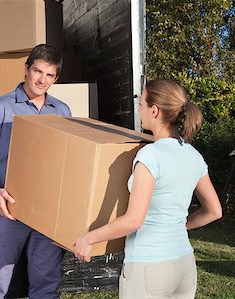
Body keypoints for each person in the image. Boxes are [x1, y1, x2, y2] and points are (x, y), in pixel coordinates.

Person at [73, 79, 222, 298]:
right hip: (184, 266)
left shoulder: (150, 155)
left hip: (149, 268)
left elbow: (134, 220)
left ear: (154, 111)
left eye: (141, 103)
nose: (138, 109)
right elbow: (214, 211)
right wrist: (180, 225)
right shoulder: (193, 155)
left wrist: (88, 239)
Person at [0, 44, 71, 299]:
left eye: (49, 75)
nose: (42, 79)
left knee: (47, 285)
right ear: (26, 69)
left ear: (56, 78)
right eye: (37, 71)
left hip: (47, 211)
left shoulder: (63, 112)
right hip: (8, 209)